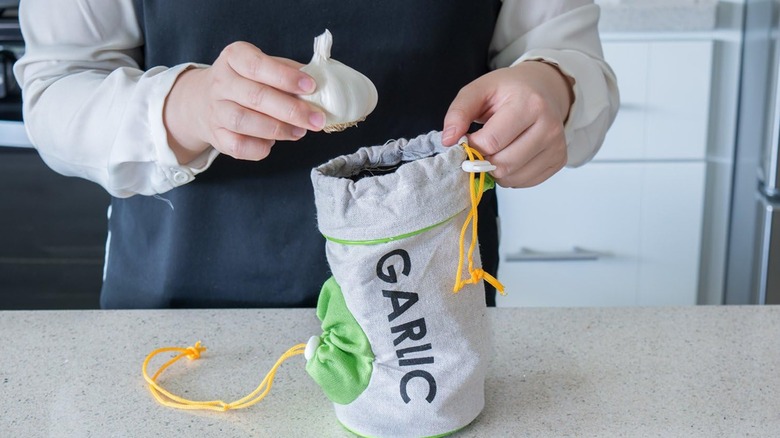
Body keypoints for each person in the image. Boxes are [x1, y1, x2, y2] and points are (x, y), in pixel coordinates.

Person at [14, 0, 619, 309]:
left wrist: (553, 85)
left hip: (429, 312)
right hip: (185, 309)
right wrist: (188, 106)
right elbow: (57, 88)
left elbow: (566, 50)